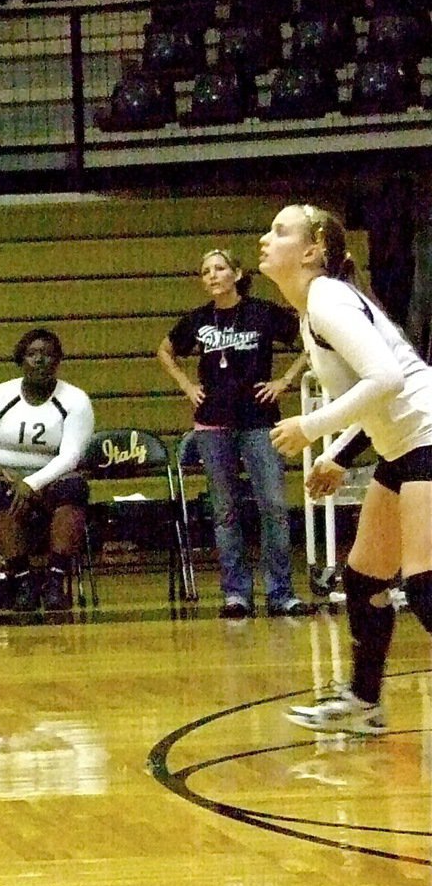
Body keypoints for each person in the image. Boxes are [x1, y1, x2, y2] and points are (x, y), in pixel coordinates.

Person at [261, 203, 432, 735]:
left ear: (313, 252)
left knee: (425, 587)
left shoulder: (326, 296)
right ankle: (364, 704)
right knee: (363, 579)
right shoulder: (315, 308)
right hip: (402, 447)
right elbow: (377, 395)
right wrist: (339, 456)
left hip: (427, 436)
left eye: (280, 231)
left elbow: (387, 380)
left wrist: (312, 430)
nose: (266, 238)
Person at [157, 248, 314, 619]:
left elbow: (312, 338)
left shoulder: (262, 313)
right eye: (206, 270)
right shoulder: (198, 319)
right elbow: (165, 350)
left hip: (260, 420)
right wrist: (186, 386)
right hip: (213, 422)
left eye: (220, 268)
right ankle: (236, 594)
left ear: (237, 273)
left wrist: (285, 381)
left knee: (273, 506)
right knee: (225, 510)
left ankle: (281, 592)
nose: (212, 275)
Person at [0, 328, 94, 611]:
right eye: (32, 354)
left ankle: (56, 580)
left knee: (75, 488)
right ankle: (22, 579)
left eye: (47, 355)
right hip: (8, 477)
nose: (40, 361)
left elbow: (71, 455)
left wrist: (32, 483)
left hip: (51, 479)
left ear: (58, 361)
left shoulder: (75, 400)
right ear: (21, 360)